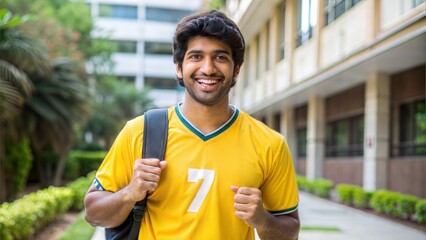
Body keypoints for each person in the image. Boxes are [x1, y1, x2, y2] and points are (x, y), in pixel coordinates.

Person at [84, 10, 300, 240]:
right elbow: (93, 213)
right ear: (179, 67)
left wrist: (262, 220)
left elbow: (290, 230)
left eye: (220, 57)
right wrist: (129, 193)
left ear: (236, 69)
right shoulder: (140, 132)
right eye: (196, 56)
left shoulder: (270, 144)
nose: (208, 68)